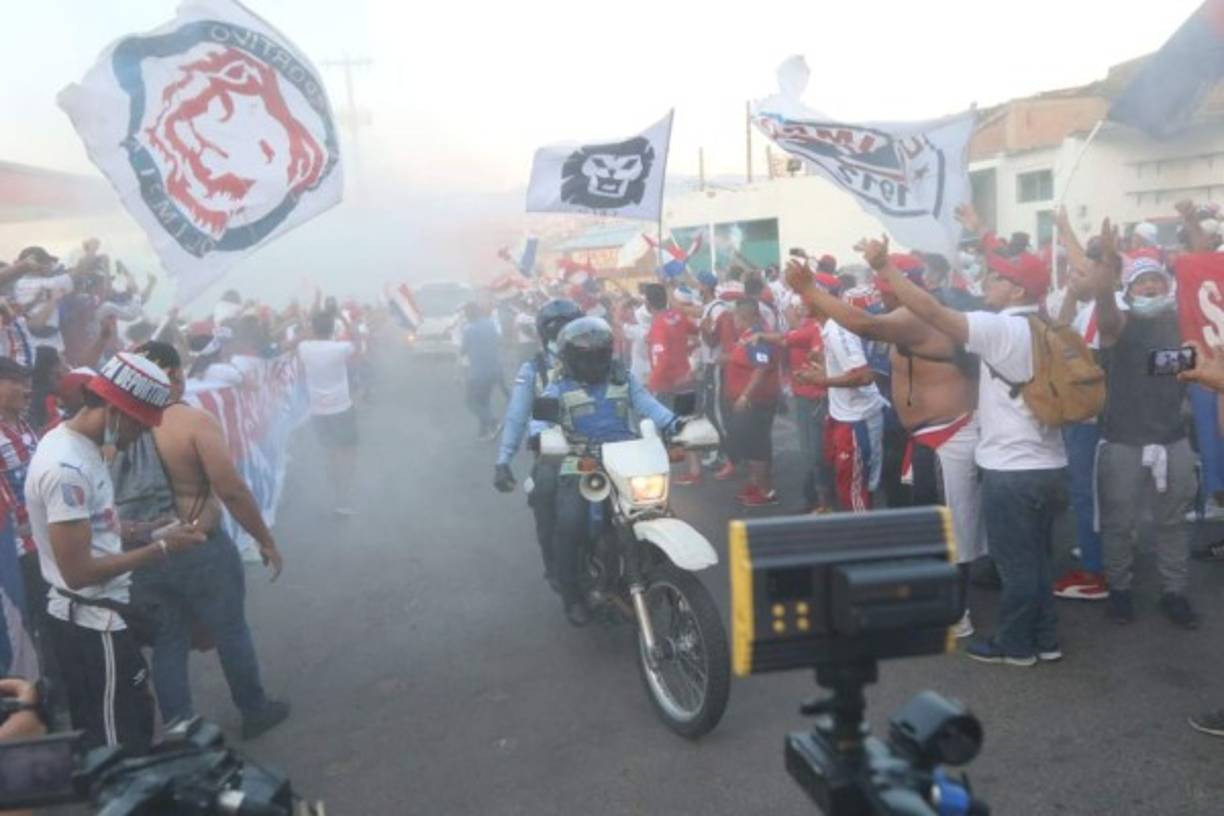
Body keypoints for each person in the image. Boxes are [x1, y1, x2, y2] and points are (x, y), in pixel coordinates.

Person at [878, 228, 1068, 667]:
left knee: (1016, 564)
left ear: (1017, 288)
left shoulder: (1001, 329)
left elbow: (928, 309)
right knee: (1037, 559)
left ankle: (1015, 645)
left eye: (997, 278)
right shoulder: (1046, 324)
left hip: (1011, 466)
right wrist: (981, 229)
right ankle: (1045, 637)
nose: (987, 284)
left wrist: (884, 266)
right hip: (1050, 460)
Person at [787, 248, 985, 638]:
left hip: (950, 435)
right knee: (932, 525)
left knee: (953, 529)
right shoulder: (907, 315)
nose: (882, 298)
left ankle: (957, 612)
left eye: (887, 289)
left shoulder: (922, 316)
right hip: (925, 437)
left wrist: (812, 289)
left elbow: (865, 325)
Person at [25, 353, 205, 751]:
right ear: (115, 410)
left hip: (107, 617)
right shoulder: (66, 467)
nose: (140, 436)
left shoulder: (79, 446)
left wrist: (141, 531)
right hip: (91, 623)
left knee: (136, 722)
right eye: (140, 425)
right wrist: (161, 548)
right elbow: (79, 572)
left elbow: (93, 526)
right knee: (117, 747)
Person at [110, 342, 288, 739]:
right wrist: (265, 539)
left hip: (143, 553)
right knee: (230, 629)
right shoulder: (191, 422)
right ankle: (255, 710)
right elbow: (231, 488)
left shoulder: (115, 428)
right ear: (174, 375)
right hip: (198, 546)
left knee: (169, 641)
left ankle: (181, 730)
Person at [1090, 228, 1199, 629]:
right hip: (1124, 442)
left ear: (1166, 284)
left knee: (1173, 522)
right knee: (1120, 523)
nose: (1150, 285)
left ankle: (1175, 592)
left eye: (1156, 279)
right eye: (1141, 280)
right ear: (1129, 288)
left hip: (1173, 439)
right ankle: (1119, 591)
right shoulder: (1119, 323)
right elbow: (1104, 310)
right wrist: (1105, 267)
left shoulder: (1182, 322)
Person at [541, 317, 678, 626]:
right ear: (571, 358)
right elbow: (541, 422)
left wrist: (676, 424)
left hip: (625, 461)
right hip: (580, 463)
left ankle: (663, 576)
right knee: (571, 523)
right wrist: (543, 437)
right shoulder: (557, 386)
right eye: (586, 356)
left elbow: (650, 406)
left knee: (658, 510)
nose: (594, 361)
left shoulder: (623, 379)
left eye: (599, 355)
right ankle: (572, 596)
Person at [494, 299, 582, 588]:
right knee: (544, 496)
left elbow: (634, 398)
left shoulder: (603, 360)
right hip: (554, 455)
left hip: (602, 448)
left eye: (571, 327)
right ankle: (555, 567)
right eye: (559, 329)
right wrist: (503, 461)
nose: (565, 334)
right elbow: (517, 417)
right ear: (546, 334)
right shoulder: (532, 370)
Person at [801, 286, 886, 513]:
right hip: (844, 417)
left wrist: (822, 380)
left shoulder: (838, 329)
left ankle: (861, 542)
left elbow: (863, 376)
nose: (799, 302)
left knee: (855, 491)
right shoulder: (829, 328)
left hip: (857, 421)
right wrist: (823, 363)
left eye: (804, 295)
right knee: (845, 484)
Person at [296, 310, 360, 516]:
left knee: (330, 453)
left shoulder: (304, 348)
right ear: (333, 329)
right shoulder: (340, 348)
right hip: (341, 407)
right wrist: (343, 318)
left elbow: (299, 370)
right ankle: (344, 498)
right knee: (346, 454)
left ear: (313, 329)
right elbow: (356, 340)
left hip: (318, 411)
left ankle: (335, 493)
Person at [643, 283, 702, 485]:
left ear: (647, 303)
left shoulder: (659, 324)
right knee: (686, 424)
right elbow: (697, 329)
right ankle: (694, 469)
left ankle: (662, 472)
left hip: (667, 385)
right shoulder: (676, 316)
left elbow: (662, 359)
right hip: (685, 380)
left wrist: (651, 384)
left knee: (659, 427)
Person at [726, 299, 782, 506]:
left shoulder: (758, 337)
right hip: (751, 400)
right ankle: (756, 484)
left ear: (744, 317)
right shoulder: (748, 335)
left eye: (735, 316)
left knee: (757, 445)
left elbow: (760, 368)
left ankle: (766, 492)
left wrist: (745, 396)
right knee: (750, 444)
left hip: (757, 401)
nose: (733, 320)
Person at [460, 302, 503, 440]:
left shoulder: (470, 329)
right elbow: (498, 340)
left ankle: (493, 422)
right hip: (494, 368)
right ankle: (484, 432)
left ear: (469, 314)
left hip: (478, 372)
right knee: (483, 401)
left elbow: (463, 350)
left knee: (471, 402)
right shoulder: (490, 324)